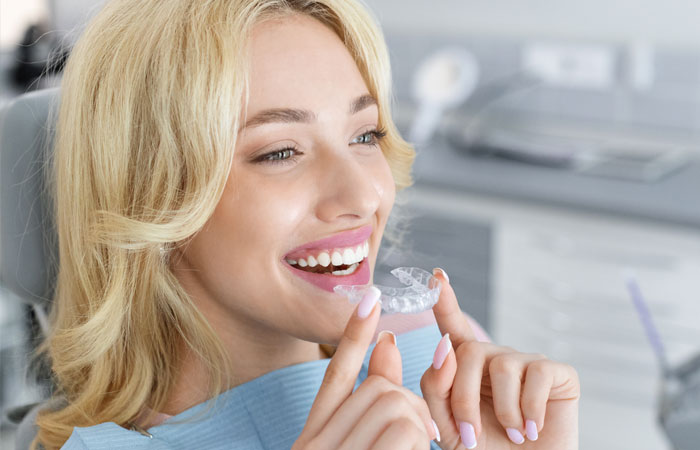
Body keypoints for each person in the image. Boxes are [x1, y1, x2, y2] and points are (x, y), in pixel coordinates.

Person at [31, 0, 580, 448]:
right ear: (152, 195)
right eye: (280, 152)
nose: (365, 194)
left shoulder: (447, 369)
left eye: (365, 136)